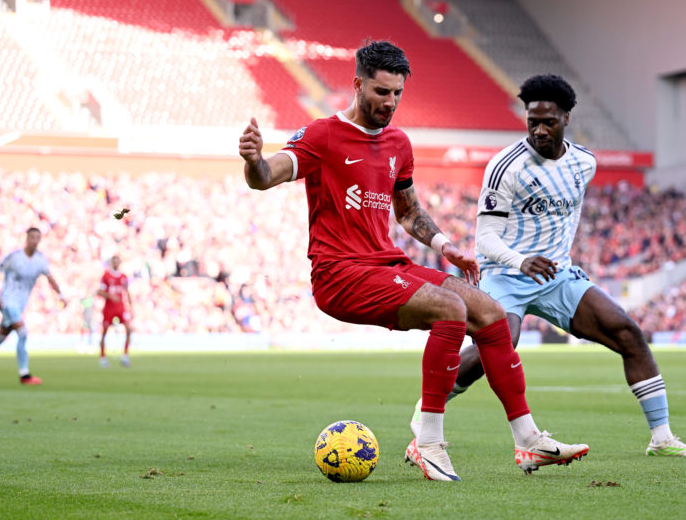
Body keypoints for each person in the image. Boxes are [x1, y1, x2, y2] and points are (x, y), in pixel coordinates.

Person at [238, 41, 588, 481]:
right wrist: (253, 160)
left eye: (398, 93)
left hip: (386, 264)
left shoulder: (399, 143)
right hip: (340, 274)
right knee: (451, 310)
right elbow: (266, 177)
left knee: (491, 313)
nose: (390, 102)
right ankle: (428, 443)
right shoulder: (323, 135)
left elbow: (407, 210)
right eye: (382, 92)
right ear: (358, 84)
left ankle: (529, 441)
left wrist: (444, 246)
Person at [410, 74, 686, 458]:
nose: (538, 129)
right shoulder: (506, 167)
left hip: (555, 276)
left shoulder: (584, 163)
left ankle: (662, 438)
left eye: (548, 121)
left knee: (628, 333)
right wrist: (521, 260)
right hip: (506, 272)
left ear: (567, 118)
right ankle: (428, 407)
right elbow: (484, 239)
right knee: (503, 340)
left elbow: (562, 216)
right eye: (532, 120)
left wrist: (560, 261)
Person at [0, 227, 66, 386]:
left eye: (37, 238)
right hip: (7, 301)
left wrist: (61, 295)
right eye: (32, 237)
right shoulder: (14, 257)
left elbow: (50, 278)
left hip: (20, 305)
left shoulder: (40, 260)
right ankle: (24, 374)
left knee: (0, 338)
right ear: (27, 238)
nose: (34, 240)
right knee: (22, 332)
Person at [97, 255, 132, 367]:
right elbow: (99, 291)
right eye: (114, 261)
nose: (116, 263)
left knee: (129, 329)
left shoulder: (123, 276)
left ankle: (125, 356)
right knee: (105, 332)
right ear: (112, 263)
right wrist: (111, 296)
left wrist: (131, 306)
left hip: (120, 307)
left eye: (118, 261)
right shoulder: (106, 276)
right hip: (109, 308)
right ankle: (102, 357)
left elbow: (127, 291)